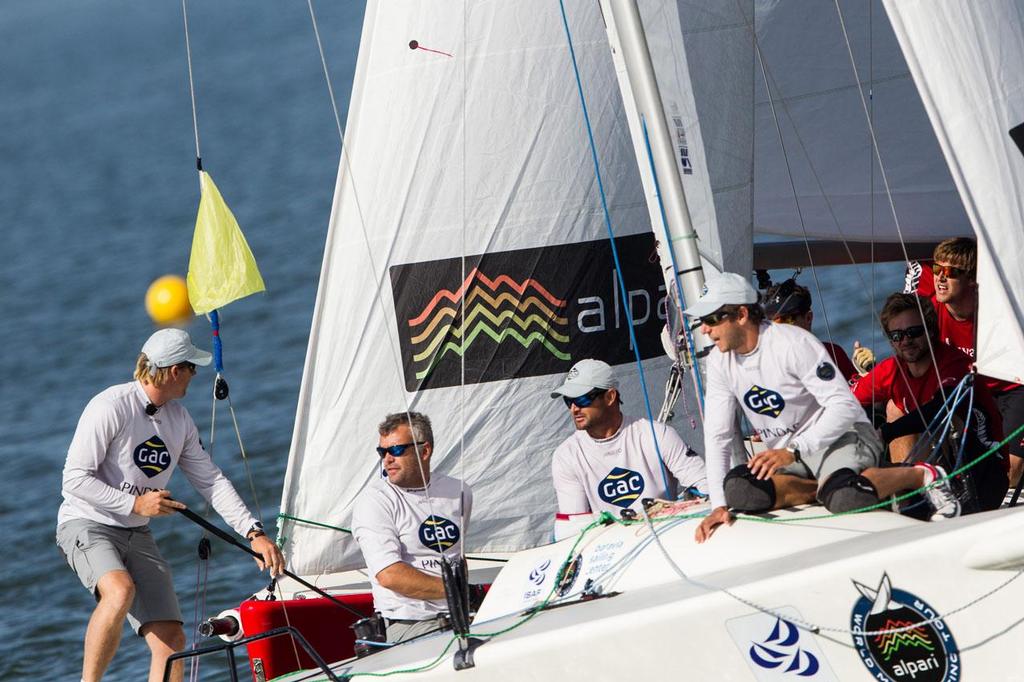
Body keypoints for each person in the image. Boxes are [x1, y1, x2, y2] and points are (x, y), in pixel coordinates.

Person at [56, 328, 284, 682]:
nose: (195, 375)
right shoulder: (110, 405)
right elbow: (73, 480)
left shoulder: (179, 420)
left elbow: (211, 480)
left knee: (172, 639)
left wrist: (254, 533)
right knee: (119, 591)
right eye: (192, 367)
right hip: (87, 523)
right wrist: (135, 503)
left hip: (135, 533)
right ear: (175, 370)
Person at [688, 273, 961, 543]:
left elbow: (843, 406)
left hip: (840, 437)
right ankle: (824, 489)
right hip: (789, 455)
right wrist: (718, 507)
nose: (705, 329)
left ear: (742, 315)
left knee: (844, 498)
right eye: (702, 321)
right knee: (739, 489)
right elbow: (718, 435)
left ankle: (922, 474)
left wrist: (793, 450)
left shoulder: (792, 343)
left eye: (712, 319)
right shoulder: (718, 361)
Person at [851, 292, 1009, 511]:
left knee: (932, 416)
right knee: (894, 407)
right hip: (939, 470)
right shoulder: (891, 370)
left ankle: (922, 494)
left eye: (913, 332)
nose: (905, 341)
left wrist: (885, 433)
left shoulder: (954, 364)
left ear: (931, 331)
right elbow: (846, 401)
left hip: (983, 473)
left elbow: (940, 410)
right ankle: (909, 497)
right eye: (897, 336)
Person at [904, 237, 1023, 489]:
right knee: (899, 405)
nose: (940, 278)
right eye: (937, 270)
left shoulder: (999, 311)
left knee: (1010, 472)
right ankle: (919, 489)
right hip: (967, 392)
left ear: (972, 279)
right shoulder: (930, 312)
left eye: (951, 273)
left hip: (1011, 388)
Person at [351, 412, 473, 644]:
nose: (387, 459)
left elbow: (457, 555)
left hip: (463, 614)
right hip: (410, 625)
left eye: (396, 451)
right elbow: (389, 575)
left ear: (424, 451)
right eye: (382, 452)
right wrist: (457, 590)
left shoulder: (459, 491)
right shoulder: (374, 501)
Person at [549, 359, 707, 533]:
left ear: (610, 397)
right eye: (568, 401)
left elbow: (704, 484)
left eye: (581, 399)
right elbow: (573, 527)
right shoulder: (566, 455)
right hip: (613, 548)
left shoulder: (657, 434)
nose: (574, 409)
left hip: (666, 533)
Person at [762, 278, 858, 382]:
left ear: (808, 318)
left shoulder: (833, 353)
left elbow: (855, 393)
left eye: (787, 320)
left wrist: (865, 372)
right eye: (772, 322)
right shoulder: (759, 366)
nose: (779, 329)